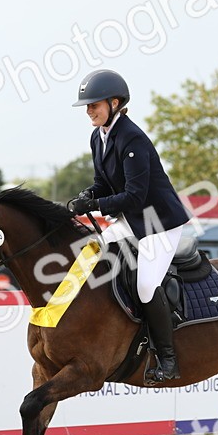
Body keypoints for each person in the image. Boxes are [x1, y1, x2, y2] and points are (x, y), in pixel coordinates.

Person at [67, 69, 190, 384]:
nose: (89, 111)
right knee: (91, 258)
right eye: (87, 106)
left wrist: (94, 205)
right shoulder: (98, 136)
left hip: (159, 223)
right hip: (131, 220)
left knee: (146, 285)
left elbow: (134, 197)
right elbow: (102, 183)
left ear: (114, 102)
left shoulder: (132, 137)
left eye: (94, 104)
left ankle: (168, 358)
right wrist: (87, 196)